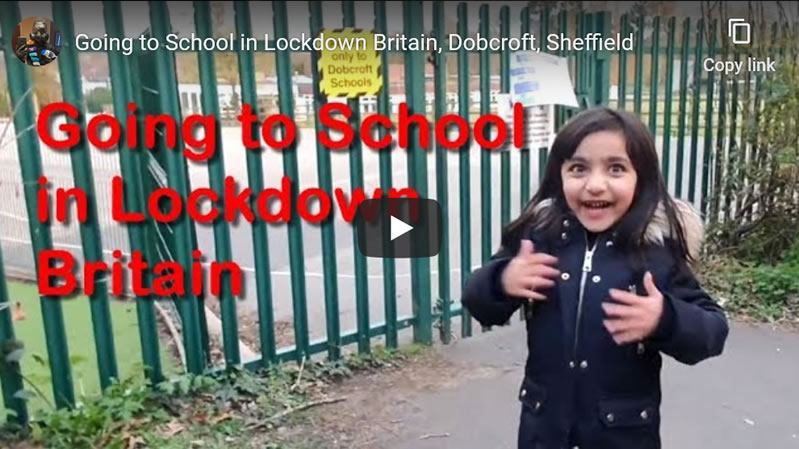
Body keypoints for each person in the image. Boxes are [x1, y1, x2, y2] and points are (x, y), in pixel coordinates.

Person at [461, 107, 729, 449]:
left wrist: (665, 319)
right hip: (543, 432)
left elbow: (712, 330)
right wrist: (501, 280)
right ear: (559, 175)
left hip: (623, 435)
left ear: (641, 178)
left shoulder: (655, 252)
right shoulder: (540, 238)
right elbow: (478, 303)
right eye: (578, 168)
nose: (595, 185)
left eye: (616, 168)